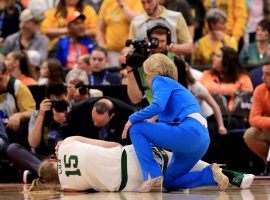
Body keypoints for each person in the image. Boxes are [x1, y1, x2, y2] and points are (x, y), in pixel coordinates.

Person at [121, 53, 227, 192]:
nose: (146, 78)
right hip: (201, 140)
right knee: (169, 182)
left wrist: (132, 118)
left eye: (146, 74)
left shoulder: (160, 80)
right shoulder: (174, 86)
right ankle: (210, 175)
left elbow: (157, 106)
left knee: (136, 128)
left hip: (189, 131)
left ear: (151, 73)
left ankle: (152, 175)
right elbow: (161, 116)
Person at [30, 136, 254, 191]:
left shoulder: (69, 189)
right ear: (52, 158)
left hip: (130, 183)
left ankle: (211, 175)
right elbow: (110, 145)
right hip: (132, 156)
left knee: (172, 183)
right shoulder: (67, 142)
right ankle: (225, 172)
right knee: (173, 161)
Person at [7, 83, 69, 182]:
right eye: (54, 100)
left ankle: (38, 176)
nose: (58, 103)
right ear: (47, 99)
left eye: (61, 99)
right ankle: (46, 172)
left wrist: (64, 122)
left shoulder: (72, 112)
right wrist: (41, 115)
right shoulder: (38, 114)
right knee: (13, 148)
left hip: (65, 160)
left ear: (66, 97)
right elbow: (33, 143)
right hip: (43, 160)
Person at [124, 23, 188, 106]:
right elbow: (135, 100)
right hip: (145, 103)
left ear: (168, 41)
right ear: (149, 41)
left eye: (162, 41)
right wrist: (129, 67)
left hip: (170, 104)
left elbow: (182, 93)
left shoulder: (177, 62)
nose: (159, 45)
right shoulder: (138, 61)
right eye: (155, 41)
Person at [57, 96, 134, 146]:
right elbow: (63, 130)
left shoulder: (127, 113)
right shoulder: (79, 108)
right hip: (84, 147)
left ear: (111, 116)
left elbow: (129, 141)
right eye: (93, 119)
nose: (95, 124)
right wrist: (60, 142)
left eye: (100, 122)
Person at [129, 0, 193, 57]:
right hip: (146, 66)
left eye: (149, 1)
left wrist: (167, 47)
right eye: (143, 2)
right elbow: (130, 48)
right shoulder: (136, 22)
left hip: (173, 65)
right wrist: (125, 54)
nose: (146, 7)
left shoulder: (176, 17)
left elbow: (189, 48)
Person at [0, 61, 36, 150]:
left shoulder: (18, 87)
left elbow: (33, 112)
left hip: (13, 132)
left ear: (7, 74)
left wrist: (19, 115)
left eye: (0, 79)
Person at [96, 0, 143, 67]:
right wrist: (102, 50)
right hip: (110, 52)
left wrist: (122, 4)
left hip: (129, 52)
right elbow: (100, 29)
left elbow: (136, 21)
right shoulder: (107, 2)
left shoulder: (137, 1)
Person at [243, 63, 270, 164]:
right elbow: (253, 119)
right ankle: (268, 162)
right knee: (250, 134)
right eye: (263, 73)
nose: (263, 78)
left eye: (268, 74)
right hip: (268, 129)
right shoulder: (259, 90)